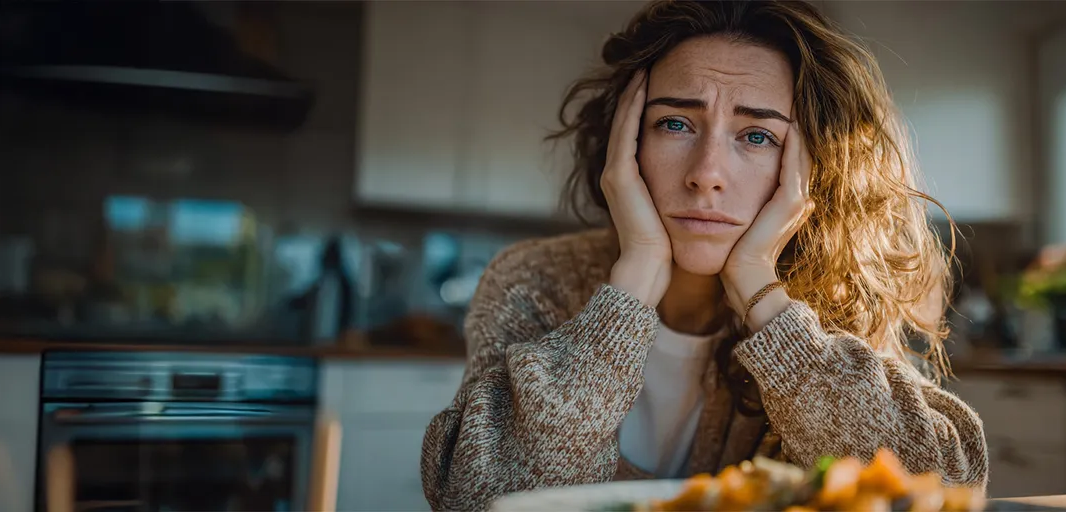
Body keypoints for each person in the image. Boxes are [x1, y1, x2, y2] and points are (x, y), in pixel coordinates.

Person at [421, 1, 988, 509]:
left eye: (757, 136)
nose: (706, 175)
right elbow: (476, 496)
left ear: (812, 165)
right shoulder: (533, 281)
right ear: (626, 143)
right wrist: (633, 281)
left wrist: (763, 296)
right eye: (675, 123)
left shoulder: (837, 299)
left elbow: (945, 485)